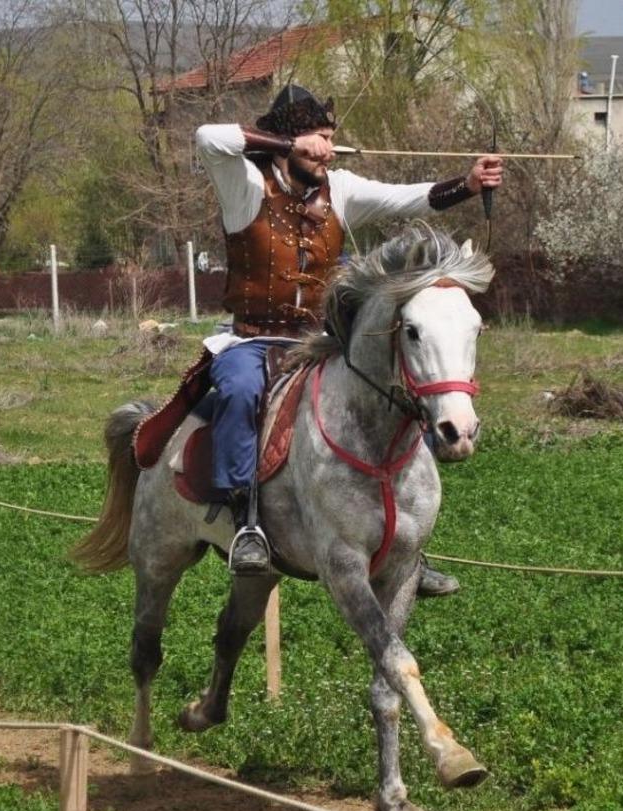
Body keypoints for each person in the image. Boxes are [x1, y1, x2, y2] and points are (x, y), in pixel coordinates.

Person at [195, 84, 502, 596]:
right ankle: (244, 521)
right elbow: (207, 137)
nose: (328, 150)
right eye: (319, 138)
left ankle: (408, 551)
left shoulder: (341, 189)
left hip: (319, 342)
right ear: (290, 141)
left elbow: (412, 197)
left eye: (332, 139)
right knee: (240, 391)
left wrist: (467, 184)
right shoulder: (244, 184)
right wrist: (281, 144)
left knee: (393, 389)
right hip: (253, 341)